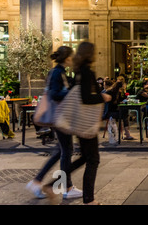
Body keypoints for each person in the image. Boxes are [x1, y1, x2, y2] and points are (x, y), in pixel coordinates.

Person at [43, 42, 111, 205]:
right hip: (86, 123)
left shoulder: (77, 72)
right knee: (93, 160)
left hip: (78, 122)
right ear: (90, 54)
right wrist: (103, 97)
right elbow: (86, 98)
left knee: (84, 159)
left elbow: (74, 95)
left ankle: (51, 185)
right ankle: (89, 199)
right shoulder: (87, 72)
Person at [26, 46, 83, 200]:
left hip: (60, 116)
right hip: (60, 117)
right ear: (67, 58)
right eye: (72, 56)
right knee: (67, 151)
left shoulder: (59, 72)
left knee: (61, 151)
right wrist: (70, 92)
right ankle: (67, 187)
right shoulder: (58, 72)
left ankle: (37, 181)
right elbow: (55, 93)